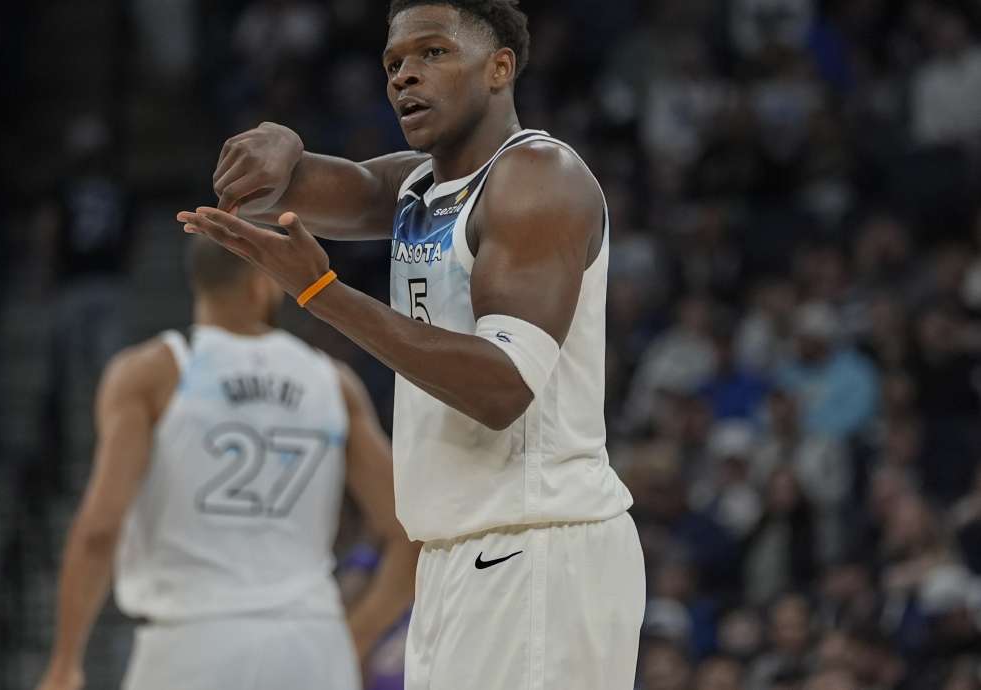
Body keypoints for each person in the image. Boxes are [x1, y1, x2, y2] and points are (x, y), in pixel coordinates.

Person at [178, 1, 645, 688]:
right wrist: (276, 141)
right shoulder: (420, 185)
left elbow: (501, 388)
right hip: (459, 553)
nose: (405, 76)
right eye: (394, 63)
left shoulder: (539, 178)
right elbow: (305, 186)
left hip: (539, 545)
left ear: (500, 67)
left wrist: (323, 295)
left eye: (433, 53)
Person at [33, 237, 418, 690]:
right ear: (264, 284)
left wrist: (65, 661)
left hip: (192, 641)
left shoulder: (154, 372)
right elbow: (411, 528)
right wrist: (357, 634)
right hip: (311, 641)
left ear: (198, 281)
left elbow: (99, 530)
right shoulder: (331, 381)